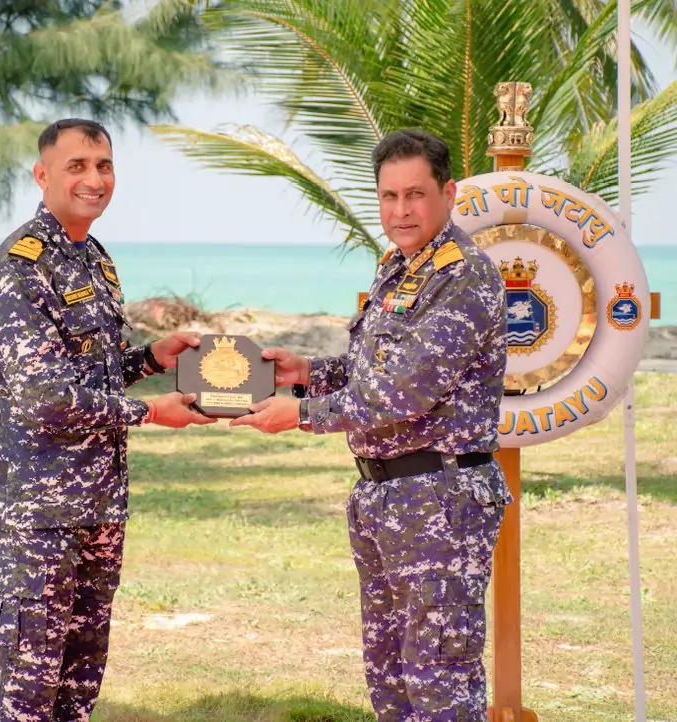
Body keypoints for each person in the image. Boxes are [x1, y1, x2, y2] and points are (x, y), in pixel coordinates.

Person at [231, 128, 511, 721]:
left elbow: (405, 392)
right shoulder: (398, 267)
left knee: (440, 679)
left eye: (415, 195)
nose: (401, 211)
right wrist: (307, 371)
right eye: (389, 197)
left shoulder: (464, 278)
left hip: (441, 499)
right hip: (385, 495)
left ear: (449, 193)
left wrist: (302, 415)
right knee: (390, 677)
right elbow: (372, 368)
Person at [0, 118, 215, 721]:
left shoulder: (92, 259)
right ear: (43, 174)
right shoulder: (19, 268)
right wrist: (151, 411)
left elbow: (89, 374)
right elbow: (43, 397)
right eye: (77, 166)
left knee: (79, 684)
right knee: (31, 685)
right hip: (37, 507)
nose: (94, 179)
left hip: (98, 503)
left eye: (103, 166)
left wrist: (151, 359)